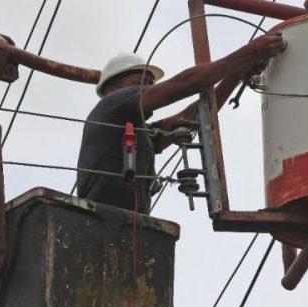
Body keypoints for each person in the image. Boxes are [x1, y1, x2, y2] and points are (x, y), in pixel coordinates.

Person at [76, 33, 286, 214]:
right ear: (111, 90)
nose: (147, 87)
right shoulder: (109, 106)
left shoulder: (140, 134)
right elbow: (186, 83)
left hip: (127, 228)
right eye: (138, 83)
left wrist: (236, 75)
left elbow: (190, 118)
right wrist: (246, 54)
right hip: (97, 221)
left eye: (150, 83)